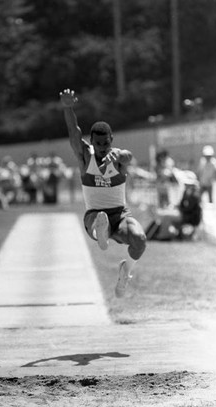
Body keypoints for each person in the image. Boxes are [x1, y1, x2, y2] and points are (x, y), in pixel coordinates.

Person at [60, 88, 146, 298]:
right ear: (91, 141)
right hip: (94, 215)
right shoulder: (84, 157)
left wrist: (116, 153)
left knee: (140, 239)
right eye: (97, 144)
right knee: (100, 221)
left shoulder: (117, 156)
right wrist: (68, 107)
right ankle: (102, 235)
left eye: (106, 143)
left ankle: (126, 271)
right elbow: (74, 132)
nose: (101, 147)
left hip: (120, 214)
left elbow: (128, 156)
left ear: (111, 139)